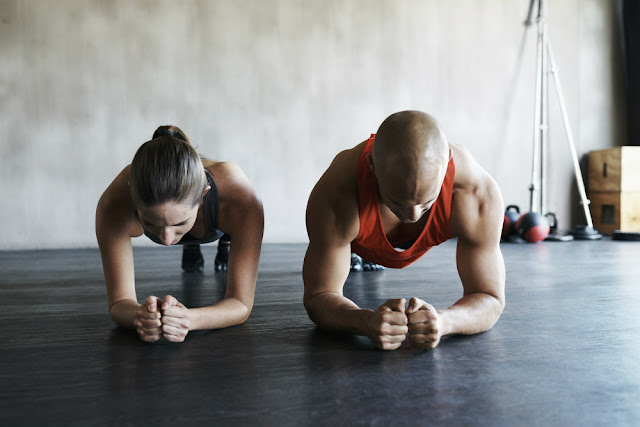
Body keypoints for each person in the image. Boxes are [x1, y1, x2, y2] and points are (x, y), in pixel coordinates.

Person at [303, 111, 505, 350]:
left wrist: (443, 321)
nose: (413, 216)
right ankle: (358, 254)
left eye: (427, 202)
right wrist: (364, 321)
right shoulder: (337, 193)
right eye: (398, 202)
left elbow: (490, 297)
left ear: (447, 162)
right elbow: (319, 296)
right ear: (372, 166)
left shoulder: (476, 193)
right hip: (358, 234)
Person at [96, 125, 263, 343]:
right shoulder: (114, 203)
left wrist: (190, 319)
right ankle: (188, 239)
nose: (166, 240)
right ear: (132, 198)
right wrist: (141, 316)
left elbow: (241, 304)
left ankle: (225, 242)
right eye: (151, 224)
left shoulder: (239, 197)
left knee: (226, 240)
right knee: (187, 242)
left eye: (180, 223)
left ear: (204, 194)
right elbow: (118, 303)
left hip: (222, 223)